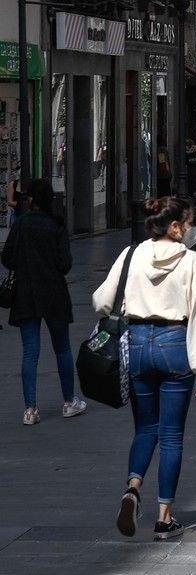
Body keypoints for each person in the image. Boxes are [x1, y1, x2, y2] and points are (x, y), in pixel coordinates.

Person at [93, 196, 196, 542]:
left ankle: (133, 488)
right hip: (173, 343)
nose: (193, 229)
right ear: (176, 226)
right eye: (190, 223)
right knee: (172, 435)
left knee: (145, 427)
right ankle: (164, 518)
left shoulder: (132, 254)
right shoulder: (192, 261)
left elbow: (102, 300)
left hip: (135, 344)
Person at [1, 178, 86, 426]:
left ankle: (30, 409)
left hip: (26, 295)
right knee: (62, 348)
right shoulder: (56, 226)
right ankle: (69, 402)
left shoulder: (21, 225)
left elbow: (7, 259)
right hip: (54, 295)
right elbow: (65, 264)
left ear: (30, 201)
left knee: (30, 352)